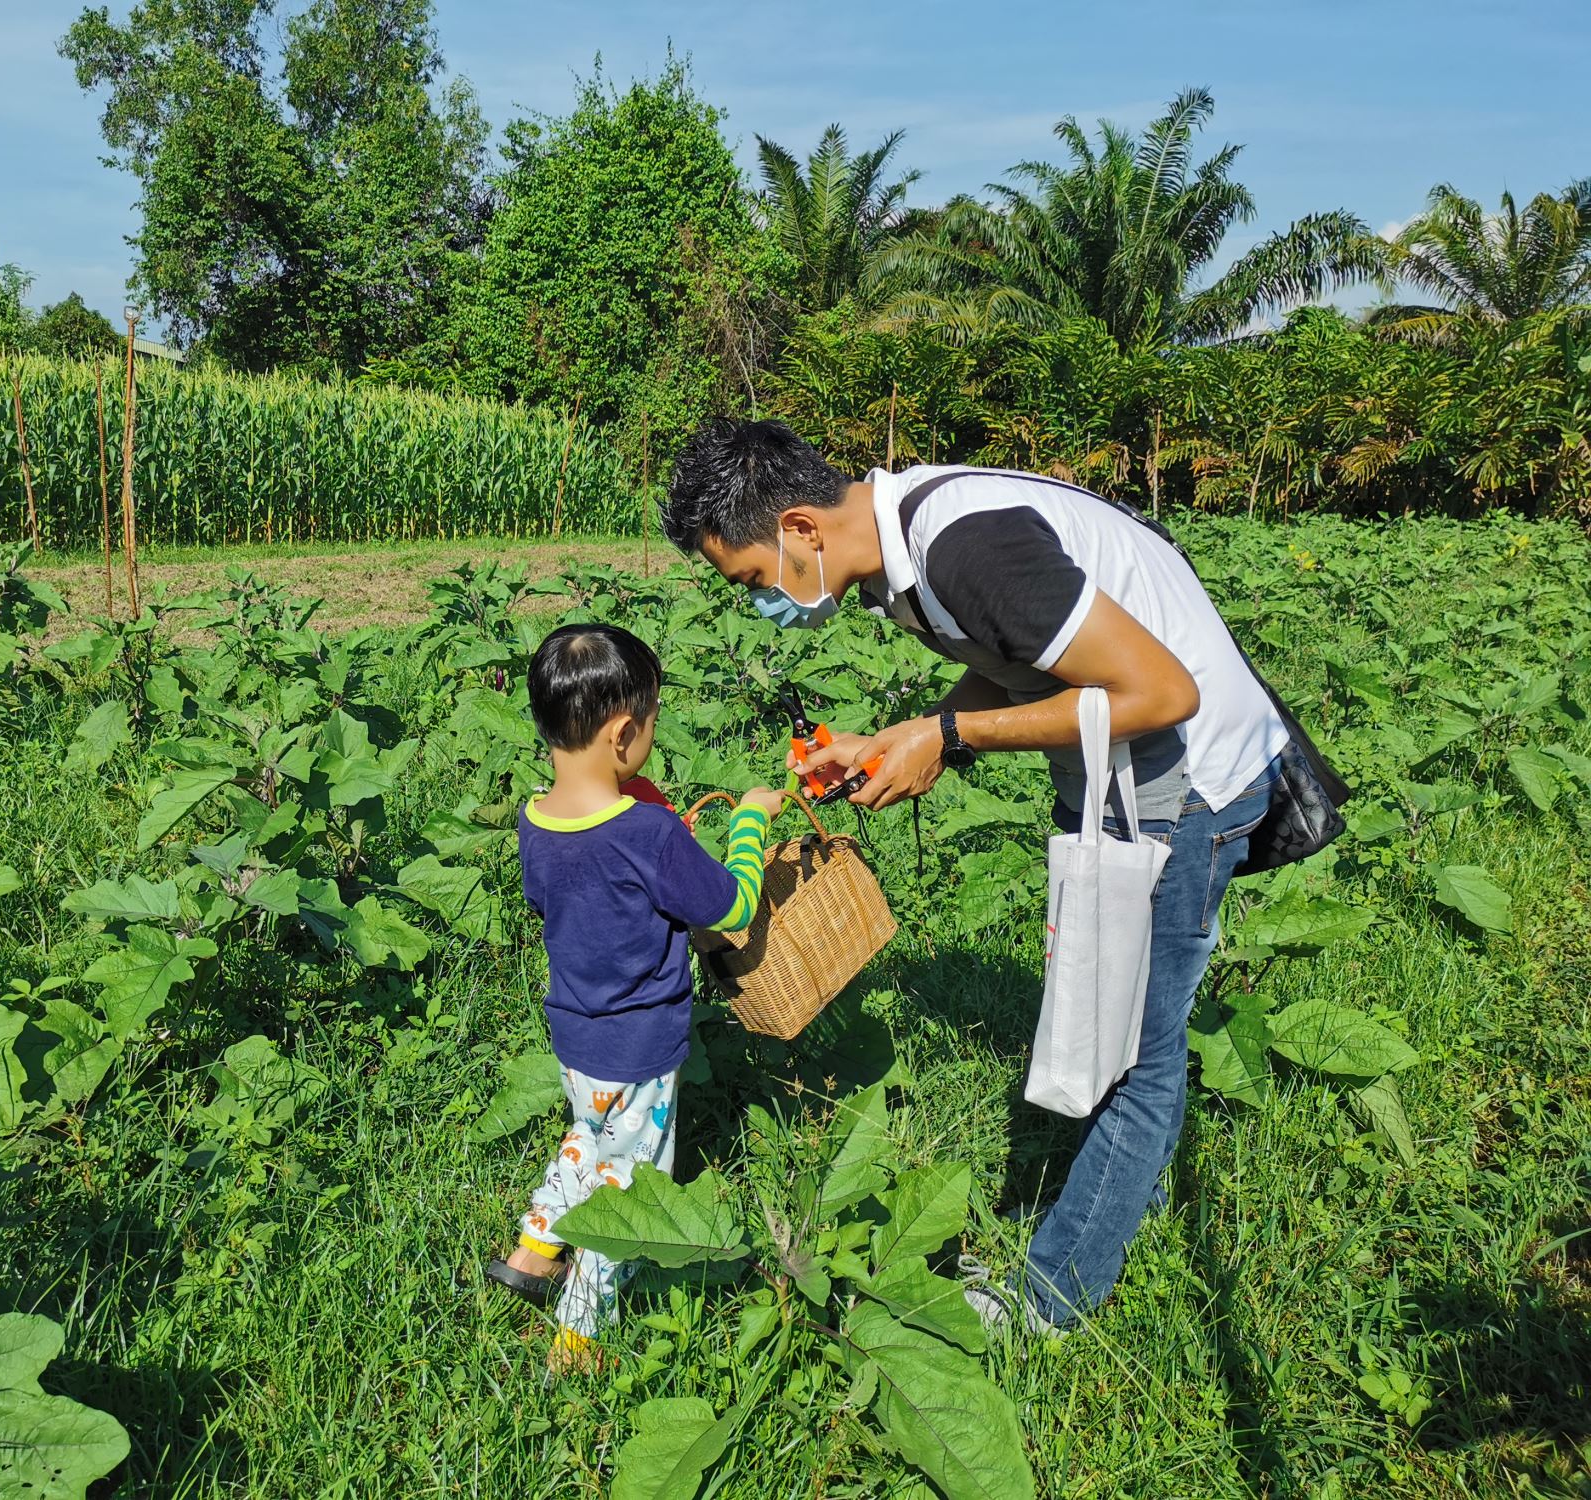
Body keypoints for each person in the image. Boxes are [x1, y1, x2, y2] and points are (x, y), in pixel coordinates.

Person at [660, 418, 1288, 1336]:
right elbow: (1022, 654)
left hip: (1187, 782)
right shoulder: (906, 558)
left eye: (754, 580)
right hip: (1126, 774)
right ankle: (1125, 1203)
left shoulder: (963, 547)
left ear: (799, 529)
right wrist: (905, 739)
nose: (762, 603)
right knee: (1121, 1018)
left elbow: (1162, 694)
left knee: (1134, 1056)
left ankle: (1054, 1297)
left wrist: (948, 736)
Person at [484, 622, 783, 1372]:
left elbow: (552, 897)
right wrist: (750, 821)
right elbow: (730, 906)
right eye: (650, 722)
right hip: (640, 1048)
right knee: (631, 1185)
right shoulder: (648, 832)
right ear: (623, 733)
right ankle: (579, 1331)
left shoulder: (536, 820)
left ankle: (533, 1250)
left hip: (575, 1037)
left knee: (588, 1137)